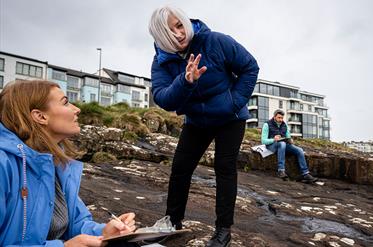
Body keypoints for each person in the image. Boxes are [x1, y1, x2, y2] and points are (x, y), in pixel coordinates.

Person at [148, 6, 259, 247]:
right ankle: (173, 221)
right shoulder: (162, 62)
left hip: (230, 117)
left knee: (224, 167)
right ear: (160, 36)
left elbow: (250, 67)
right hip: (197, 120)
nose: (178, 33)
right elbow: (163, 98)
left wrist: (233, 103)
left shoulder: (215, 41)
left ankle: (223, 231)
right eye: (170, 30)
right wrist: (185, 81)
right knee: (180, 167)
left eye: (179, 25)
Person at [0, 80, 137, 247]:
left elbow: (76, 223)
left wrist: (104, 232)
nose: (77, 109)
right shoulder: (4, 164)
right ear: (40, 116)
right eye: (66, 102)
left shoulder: (56, 163)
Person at [261, 109, 318, 183]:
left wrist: (290, 141)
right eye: (279, 118)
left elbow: (288, 137)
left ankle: (305, 174)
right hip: (271, 146)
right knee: (282, 144)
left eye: (282, 118)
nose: (281, 120)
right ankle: (281, 171)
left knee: (299, 150)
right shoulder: (267, 124)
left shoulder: (285, 125)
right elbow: (263, 141)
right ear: (274, 117)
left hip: (283, 145)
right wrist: (273, 139)